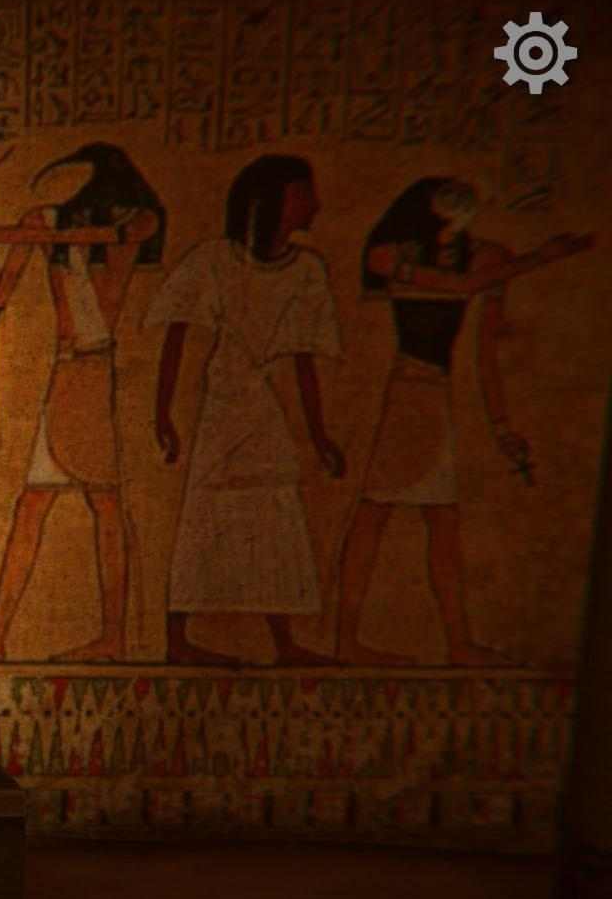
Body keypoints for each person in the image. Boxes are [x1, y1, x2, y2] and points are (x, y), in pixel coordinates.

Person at [334, 178, 593, 665]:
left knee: (442, 521)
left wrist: (502, 427)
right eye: (448, 200)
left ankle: (457, 642)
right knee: (377, 513)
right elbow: (458, 287)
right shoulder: (391, 254)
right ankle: (349, 639)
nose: (462, 209)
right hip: (408, 395)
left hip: (437, 396)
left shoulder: (487, 256)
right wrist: (540, 257)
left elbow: (485, 352)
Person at [0, 143, 165, 663]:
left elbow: (106, 236)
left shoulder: (133, 221)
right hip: (66, 375)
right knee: (35, 506)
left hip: (92, 374)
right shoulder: (45, 224)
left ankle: (112, 637)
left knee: (103, 504)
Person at [145, 155, 344, 666]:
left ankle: (284, 642)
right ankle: (177, 637)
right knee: (205, 512)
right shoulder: (215, 260)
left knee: (275, 513)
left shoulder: (307, 271)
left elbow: (302, 359)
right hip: (222, 403)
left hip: (262, 407)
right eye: (305, 193)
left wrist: (319, 433)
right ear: (279, 199)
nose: (315, 204)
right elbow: (178, 335)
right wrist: (162, 413)